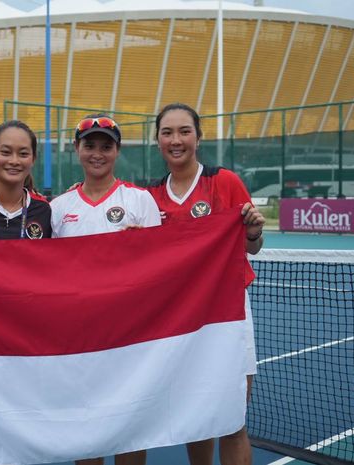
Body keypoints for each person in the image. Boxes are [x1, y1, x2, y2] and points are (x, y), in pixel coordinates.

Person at [146, 103, 265, 465]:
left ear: (199, 136)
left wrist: (255, 232)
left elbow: (252, 245)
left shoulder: (224, 181)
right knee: (197, 416)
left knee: (232, 418)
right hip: (180, 319)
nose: (176, 140)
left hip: (228, 314)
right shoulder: (149, 196)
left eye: (184, 131)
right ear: (157, 140)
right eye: (168, 132)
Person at [50, 114, 161, 465]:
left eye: (106, 146)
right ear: (77, 150)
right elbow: (47, 272)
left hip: (130, 333)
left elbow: (161, 265)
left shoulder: (140, 201)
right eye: (90, 146)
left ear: (117, 151)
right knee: (86, 423)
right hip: (79, 335)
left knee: (130, 422)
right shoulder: (58, 208)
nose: (97, 154)